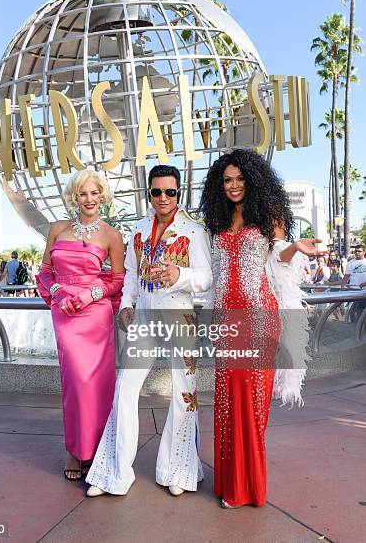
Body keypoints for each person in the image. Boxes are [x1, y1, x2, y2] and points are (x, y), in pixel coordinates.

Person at [199, 149, 325, 509]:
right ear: (219, 185)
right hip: (226, 320)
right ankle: (230, 483)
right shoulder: (219, 221)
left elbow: (280, 252)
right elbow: (214, 277)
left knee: (251, 401)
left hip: (257, 316)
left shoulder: (269, 215)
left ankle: (248, 487)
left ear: (253, 179)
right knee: (226, 402)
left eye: (240, 178)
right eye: (227, 180)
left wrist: (295, 249)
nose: (234, 185)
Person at [86, 165, 212, 497]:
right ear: (149, 193)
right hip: (143, 318)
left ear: (179, 193)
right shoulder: (139, 229)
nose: (163, 198)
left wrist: (180, 275)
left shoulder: (194, 231)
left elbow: (206, 277)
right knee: (125, 388)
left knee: (183, 393)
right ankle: (114, 472)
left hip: (180, 317)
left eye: (170, 192)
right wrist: (126, 304)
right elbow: (129, 272)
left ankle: (179, 471)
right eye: (156, 192)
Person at [36, 169, 124, 480]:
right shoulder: (57, 229)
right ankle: (75, 449)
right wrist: (58, 292)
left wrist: (90, 294)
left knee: (96, 383)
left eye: (94, 193)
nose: (89, 199)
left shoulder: (112, 235)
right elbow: (45, 272)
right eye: (83, 194)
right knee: (75, 380)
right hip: (64, 310)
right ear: (75, 197)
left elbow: (117, 281)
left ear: (103, 196)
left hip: (94, 311)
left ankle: (97, 450)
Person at [341, 244, 366, 322]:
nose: (357, 253)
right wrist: (342, 287)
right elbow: (346, 276)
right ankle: (355, 328)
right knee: (351, 311)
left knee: (361, 312)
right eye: (355, 251)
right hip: (353, 290)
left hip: (364, 291)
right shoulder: (351, 262)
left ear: (364, 252)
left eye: (359, 251)